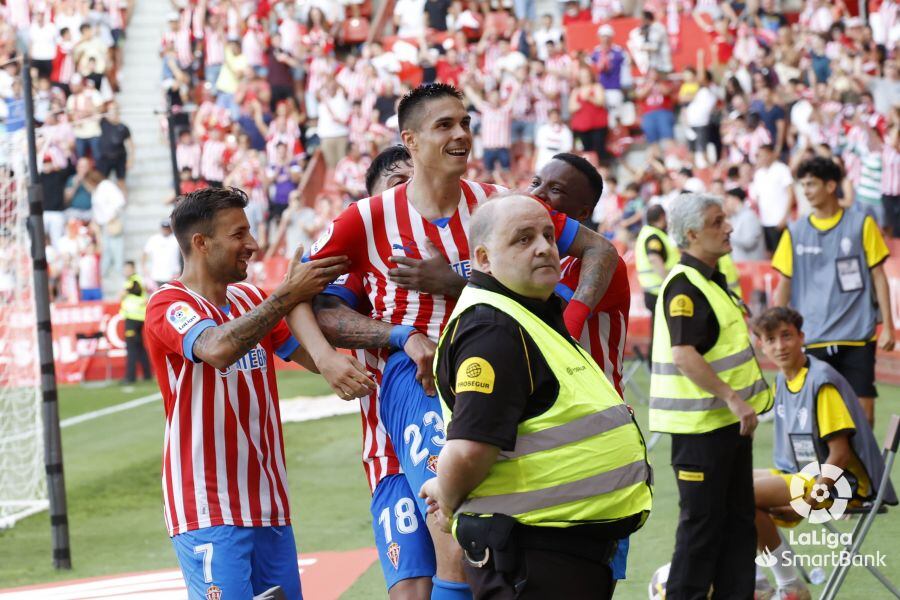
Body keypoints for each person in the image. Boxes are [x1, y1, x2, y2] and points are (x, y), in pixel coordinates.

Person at [290, 83, 620, 599]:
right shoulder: (368, 217)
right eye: (445, 125)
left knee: (493, 527)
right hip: (416, 376)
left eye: (465, 123)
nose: (462, 134)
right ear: (412, 141)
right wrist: (350, 353)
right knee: (453, 522)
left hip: (501, 366)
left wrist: (569, 323)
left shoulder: (498, 205)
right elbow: (299, 290)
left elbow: (600, 249)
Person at [420, 193, 652, 599]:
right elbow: (471, 449)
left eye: (548, 235)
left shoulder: (529, 314)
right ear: (484, 258)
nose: (546, 247)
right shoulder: (492, 330)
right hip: (531, 556)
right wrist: (448, 495)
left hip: (560, 552)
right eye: (523, 239)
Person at [143, 187, 365, 600]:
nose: (253, 244)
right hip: (207, 505)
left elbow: (316, 358)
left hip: (268, 503)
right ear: (201, 243)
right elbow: (216, 349)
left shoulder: (248, 297)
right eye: (239, 234)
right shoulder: (167, 303)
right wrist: (285, 295)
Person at [649, 193, 773, 599]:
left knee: (738, 526)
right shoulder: (685, 285)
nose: (729, 227)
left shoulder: (709, 279)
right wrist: (734, 398)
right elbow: (684, 354)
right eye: (718, 222)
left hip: (725, 427)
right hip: (701, 430)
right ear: (691, 233)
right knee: (701, 532)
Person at [752, 306, 897, 600]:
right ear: (761, 345)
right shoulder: (783, 379)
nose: (780, 346)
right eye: (771, 339)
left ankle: (790, 587)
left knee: (742, 492)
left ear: (802, 336)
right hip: (806, 475)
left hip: (843, 485)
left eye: (786, 336)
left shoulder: (821, 380)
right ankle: (756, 579)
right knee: (722, 484)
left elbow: (840, 456)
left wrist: (804, 504)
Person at [773, 157, 895, 426]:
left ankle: (861, 470)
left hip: (857, 338)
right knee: (819, 421)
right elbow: (784, 283)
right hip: (813, 339)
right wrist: (775, 331)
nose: (805, 191)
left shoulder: (861, 224)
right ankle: (828, 471)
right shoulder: (794, 232)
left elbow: (879, 277)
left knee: (863, 418)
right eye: (802, 185)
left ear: (830, 186)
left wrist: (887, 326)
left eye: (811, 184)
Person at [635, 205, 678, 315]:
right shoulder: (653, 236)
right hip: (659, 290)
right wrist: (670, 282)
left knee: (657, 328)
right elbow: (654, 259)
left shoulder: (646, 232)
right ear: (662, 216)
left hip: (652, 290)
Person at [119, 261, 151, 384]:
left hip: (133, 318)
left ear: (133, 268)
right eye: (125, 269)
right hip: (138, 317)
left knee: (131, 347)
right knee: (139, 346)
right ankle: (147, 374)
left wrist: (126, 292)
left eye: (128, 268)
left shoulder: (134, 280)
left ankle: (130, 377)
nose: (126, 271)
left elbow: (135, 290)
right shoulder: (135, 280)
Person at [723, 187, 765, 261]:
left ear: (735, 199)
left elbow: (749, 243)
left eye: (728, 200)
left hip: (751, 265)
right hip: (740, 265)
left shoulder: (749, 216)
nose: (726, 204)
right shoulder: (735, 217)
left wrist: (728, 235)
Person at [142, 220, 182, 289]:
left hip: (173, 274)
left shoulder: (176, 239)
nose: (165, 230)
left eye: (167, 228)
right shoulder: (154, 239)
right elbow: (145, 254)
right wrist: (144, 268)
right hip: (157, 275)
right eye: (164, 228)